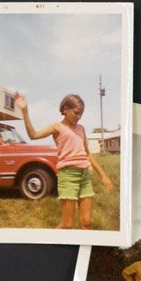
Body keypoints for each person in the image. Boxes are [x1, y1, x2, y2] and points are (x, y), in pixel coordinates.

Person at [14, 92, 113, 229]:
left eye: (81, 114)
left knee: (86, 222)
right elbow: (33, 135)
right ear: (65, 109)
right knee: (67, 225)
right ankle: (48, 244)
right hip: (68, 176)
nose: (79, 117)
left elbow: (88, 154)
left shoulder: (81, 128)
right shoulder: (57, 127)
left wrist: (104, 176)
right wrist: (25, 111)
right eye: (76, 112)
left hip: (84, 177)